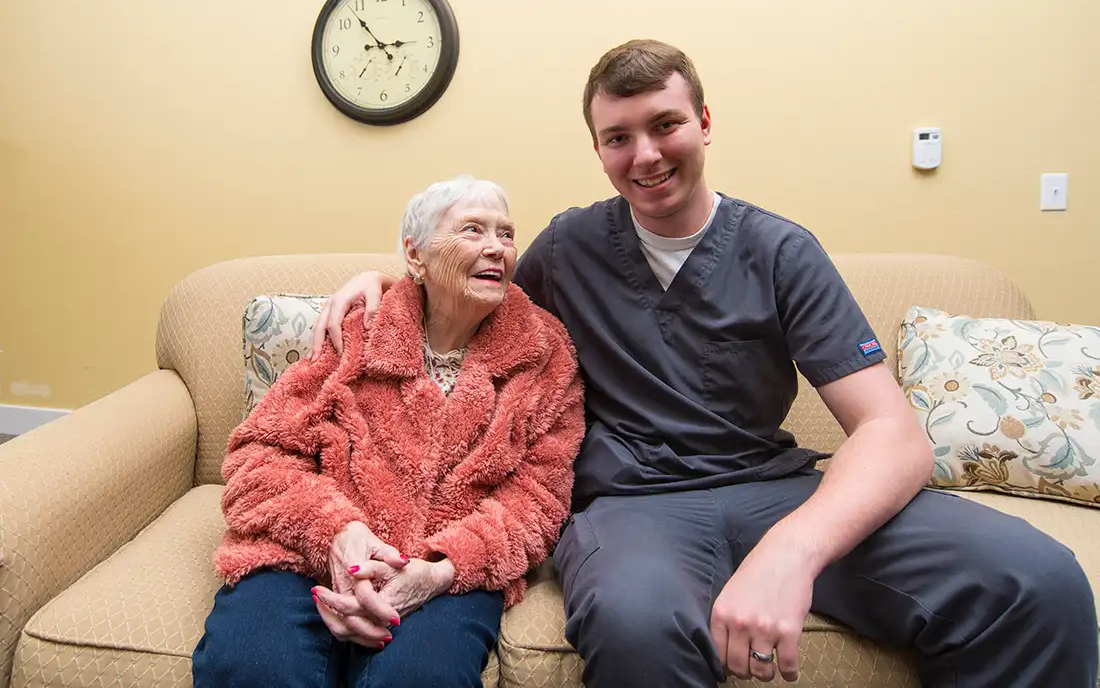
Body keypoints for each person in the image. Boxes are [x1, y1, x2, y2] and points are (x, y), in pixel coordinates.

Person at [310, 41, 1098, 687]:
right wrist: (383, 282)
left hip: (773, 490)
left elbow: (893, 434)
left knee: (1036, 579)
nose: (645, 155)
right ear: (598, 149)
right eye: (619, 138)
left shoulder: (779, 250)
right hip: (633, 508)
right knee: (636, 626)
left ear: (705, 122)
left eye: (665, 126)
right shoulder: (571, 247)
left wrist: (792, 550)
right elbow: (468, 292)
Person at [192, 175, 585, 688]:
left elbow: (539, 499)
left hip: (444, 575)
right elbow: (259, 454)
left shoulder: (546, 355)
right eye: (473, 230)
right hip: (304, 558)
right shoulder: (354, 331)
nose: (497, 248)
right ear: (415, 256)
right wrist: (337, 533)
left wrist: (442, 569)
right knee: (251, 668)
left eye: (506, 234)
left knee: (420, 679)